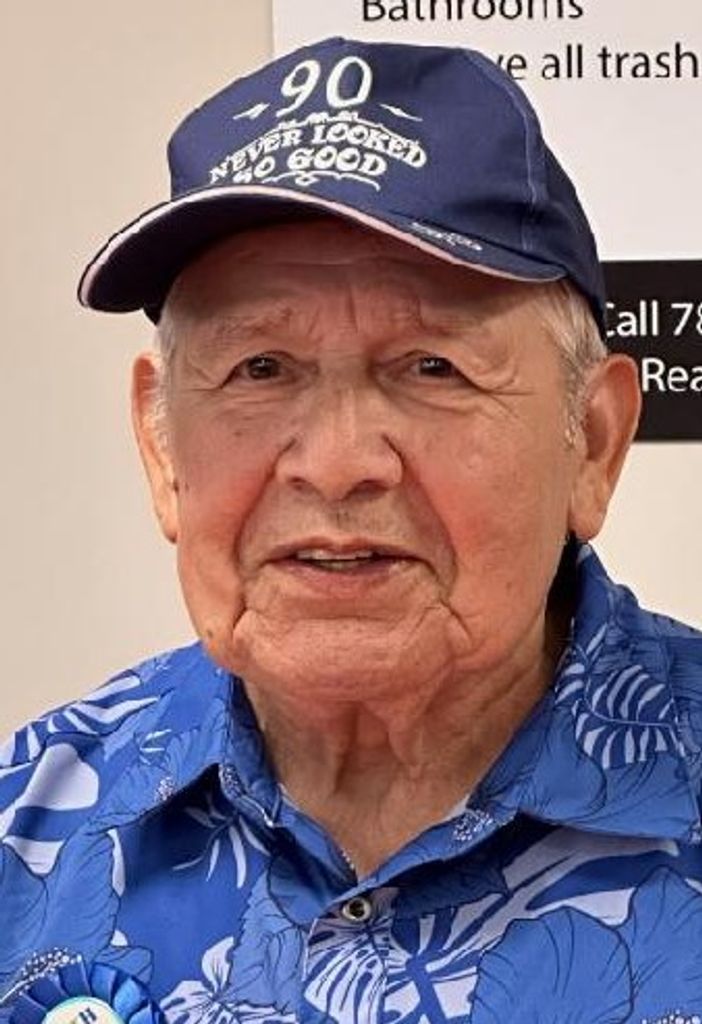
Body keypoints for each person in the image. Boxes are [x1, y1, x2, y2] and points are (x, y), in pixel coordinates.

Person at [1, 35, 701, 1024]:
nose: (335, 463)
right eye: (260, 368)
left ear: (591, 442)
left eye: (431, 367)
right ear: (161, 448)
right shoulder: (26, 827)